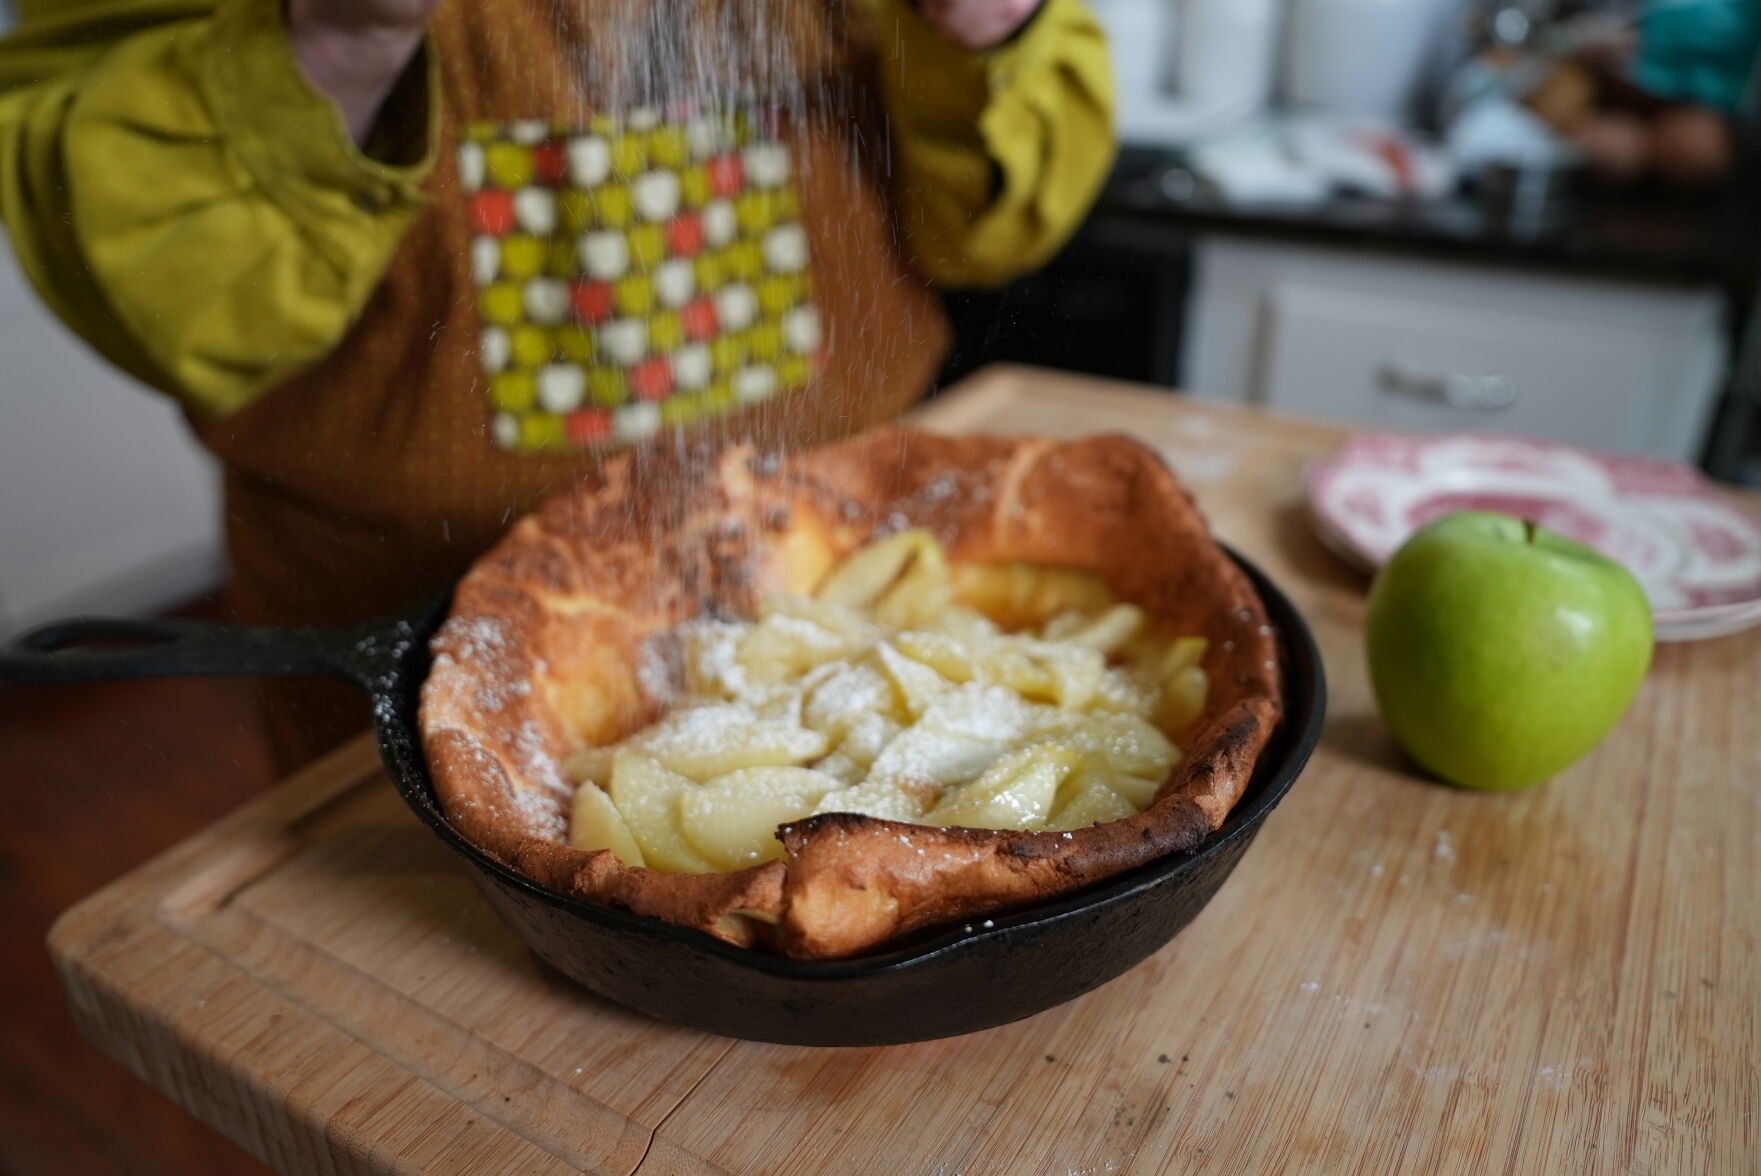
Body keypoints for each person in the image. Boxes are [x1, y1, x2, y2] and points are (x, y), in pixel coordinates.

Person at [0, 0, 1115, 767]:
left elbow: (998, 225)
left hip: (867, 583)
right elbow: (167, 294)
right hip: (403, 632)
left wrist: (984, 18)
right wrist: (340, 36)